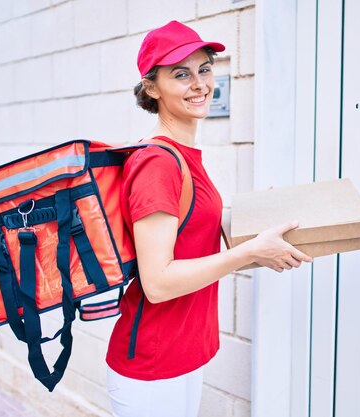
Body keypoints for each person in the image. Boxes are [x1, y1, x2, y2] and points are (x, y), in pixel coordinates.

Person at [105, 20, 312, 417]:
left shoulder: (184, 155)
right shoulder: (158, 164)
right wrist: (250, 252)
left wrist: (255, 221)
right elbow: (158, 283)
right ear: (152, 87)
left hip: (181, 354)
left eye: (204, 68)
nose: (199, 83)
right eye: (180, 74)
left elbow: (192, 230)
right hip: (151, 365)